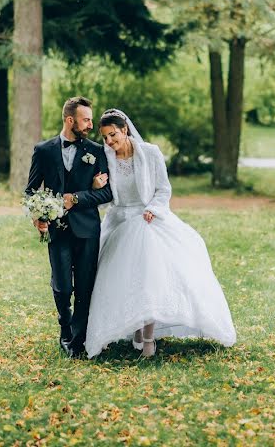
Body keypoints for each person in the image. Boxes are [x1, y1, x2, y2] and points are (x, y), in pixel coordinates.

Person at [84, 109, 236, 358]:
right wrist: (95, 186)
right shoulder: (104, 157)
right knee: (120, 279)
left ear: (125, 130)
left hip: (147, 218)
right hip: (119, 220)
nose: (110, 142)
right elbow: (103, 202)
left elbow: (163, 189)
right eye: (105, 138)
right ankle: (132, 325)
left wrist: (153, 209)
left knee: (150, 276)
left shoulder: (150, 153)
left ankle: (148, 337)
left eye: (113, 135)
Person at [26, 96, 113, 358]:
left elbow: (107, 192)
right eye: (86, 119)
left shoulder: (96, 151)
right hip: (57, 230)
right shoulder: (43, 150)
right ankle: (65, 326)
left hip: (87, 229)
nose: (90, 124)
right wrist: (37, 215)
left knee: (85, 286)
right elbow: (31, 190)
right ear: (69, 120)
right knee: (63, 286)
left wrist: (77, 198)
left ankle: (78, 338)